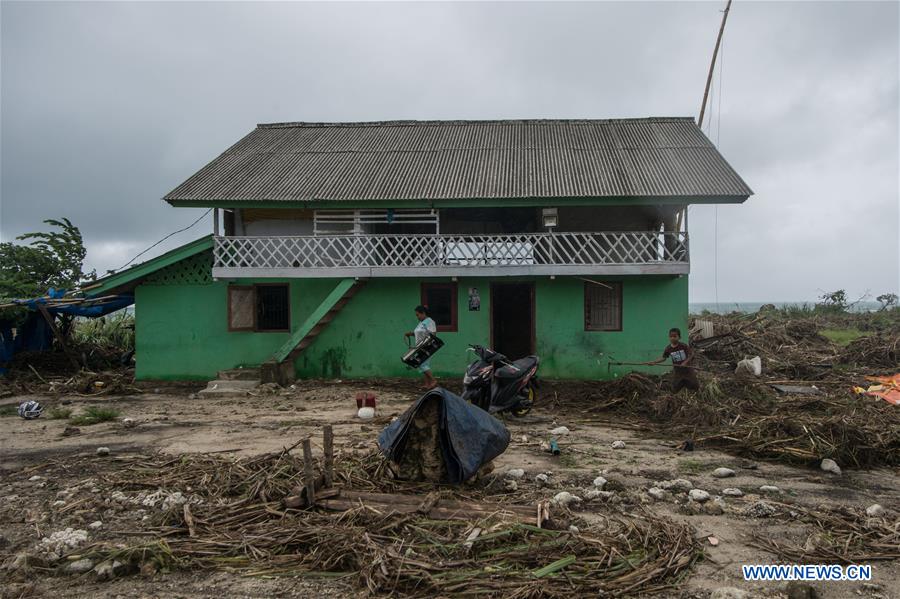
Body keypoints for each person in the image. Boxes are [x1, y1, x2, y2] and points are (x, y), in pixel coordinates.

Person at [645, 327, 699, 393]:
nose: (672, 338)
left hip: (688, 370)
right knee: (675, 388)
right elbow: (664, 358)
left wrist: (685, 362)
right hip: (678, 371)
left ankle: (692, 391)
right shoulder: (668, 348)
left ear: (679, 337)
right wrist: (654, 362)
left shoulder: (683, 346)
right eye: (671, 336)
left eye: (675, 336)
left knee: (695, 386)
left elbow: (691, 354)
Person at [404, 305, 437, 389]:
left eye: (418, 315)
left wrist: (426, 343)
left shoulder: (430, 321)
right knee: (424, 364)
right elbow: (419, 333)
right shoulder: (421, 323)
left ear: (423, 313)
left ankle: (433, 380)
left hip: (427, 346)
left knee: (421, 363)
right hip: (419, 346)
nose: (417, 317)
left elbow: (433, 334)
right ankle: (427, 384)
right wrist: (410, 333)